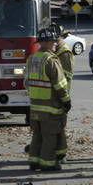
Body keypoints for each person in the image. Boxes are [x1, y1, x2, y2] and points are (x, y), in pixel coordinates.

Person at [26, 27, 71, 172]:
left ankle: (34, 161)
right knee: (49, 136)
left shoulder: (32, 59)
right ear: (46, 42)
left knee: (37, 135)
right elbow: (60, 84)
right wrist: (66, 100)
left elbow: (26, 82)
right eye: (53, 41)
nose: (55, 43)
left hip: (35, 106)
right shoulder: (51, 60)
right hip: (50, 107)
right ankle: (48, 163)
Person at [50, 22, 74, 162]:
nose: (54, 41)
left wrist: (63, 97)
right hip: (51, 95)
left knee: (59, 125)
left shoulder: (64, 53)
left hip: (60, 95)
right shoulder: (53, 51)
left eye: (55, 39)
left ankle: (60, 154)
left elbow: (65, 78)